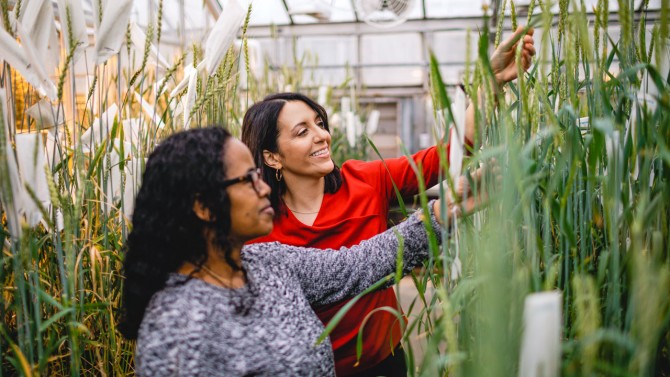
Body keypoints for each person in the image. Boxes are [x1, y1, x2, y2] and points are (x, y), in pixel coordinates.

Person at [241, 27, 535, 376]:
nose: (322, 135)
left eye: (319, 123)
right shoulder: (257, 224)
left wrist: (491, 83)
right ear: (272, 157)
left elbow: (447, 155)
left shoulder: (365, 179)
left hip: (385, 360)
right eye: (302, 131)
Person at [118, 126, 483, 376]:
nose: (263, 188)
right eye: (248, 179)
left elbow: (357, 264)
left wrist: (444, 210)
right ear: (203, 206)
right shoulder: (177, 327)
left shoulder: (267, 263)